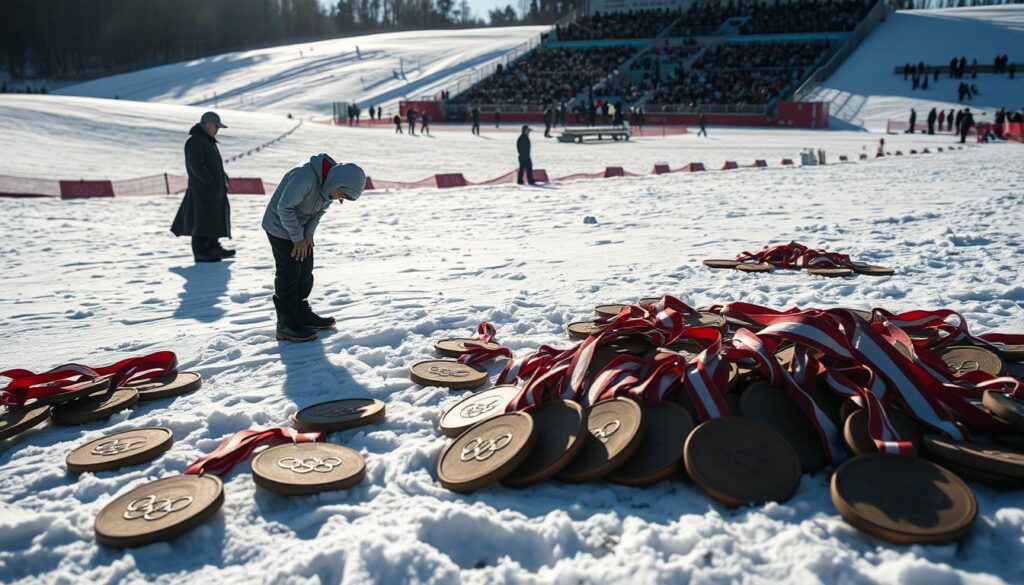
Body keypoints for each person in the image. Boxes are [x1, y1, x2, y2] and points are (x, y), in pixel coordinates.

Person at [262, 154, 365, 342]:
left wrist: (308, 234)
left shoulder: (330, 183)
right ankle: (285, 324)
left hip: (299, 229)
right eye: (341, 194)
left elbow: (320, 209)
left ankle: (300, 313)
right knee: (289, 272)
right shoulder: (305, 177)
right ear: (338, 184)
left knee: (305, 269)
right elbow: (284, 208)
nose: (339, 199)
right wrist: (297, 238)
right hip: (279, 226)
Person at [171, 112, 233, 263]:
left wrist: (222, 179)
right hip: (202, 191)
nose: (217, 130)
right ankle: (200, 251)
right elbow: (196, 165)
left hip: (212, 190)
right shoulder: (195, 141)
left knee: (213, 217)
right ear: (208, 124)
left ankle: (213, 246)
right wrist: (210, 182)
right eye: (216, 126)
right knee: (201, 219)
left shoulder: (208, 142)